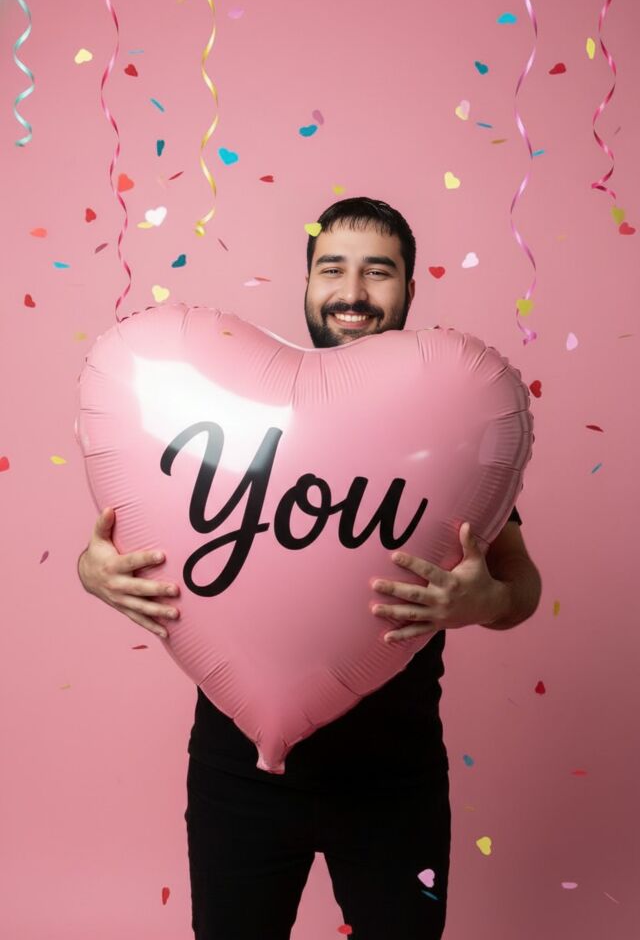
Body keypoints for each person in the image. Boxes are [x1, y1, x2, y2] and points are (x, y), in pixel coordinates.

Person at [78, 197, 538, 939]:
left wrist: (484, 601)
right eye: (333, 269)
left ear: (410, 287)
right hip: (236, 779)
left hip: (395, 779)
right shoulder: (221, 406)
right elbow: (119, 537)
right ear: (307, 281)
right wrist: (89, 570)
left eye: (378, 271)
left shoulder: (452, 423)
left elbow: (519, 584)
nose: (352, 292)